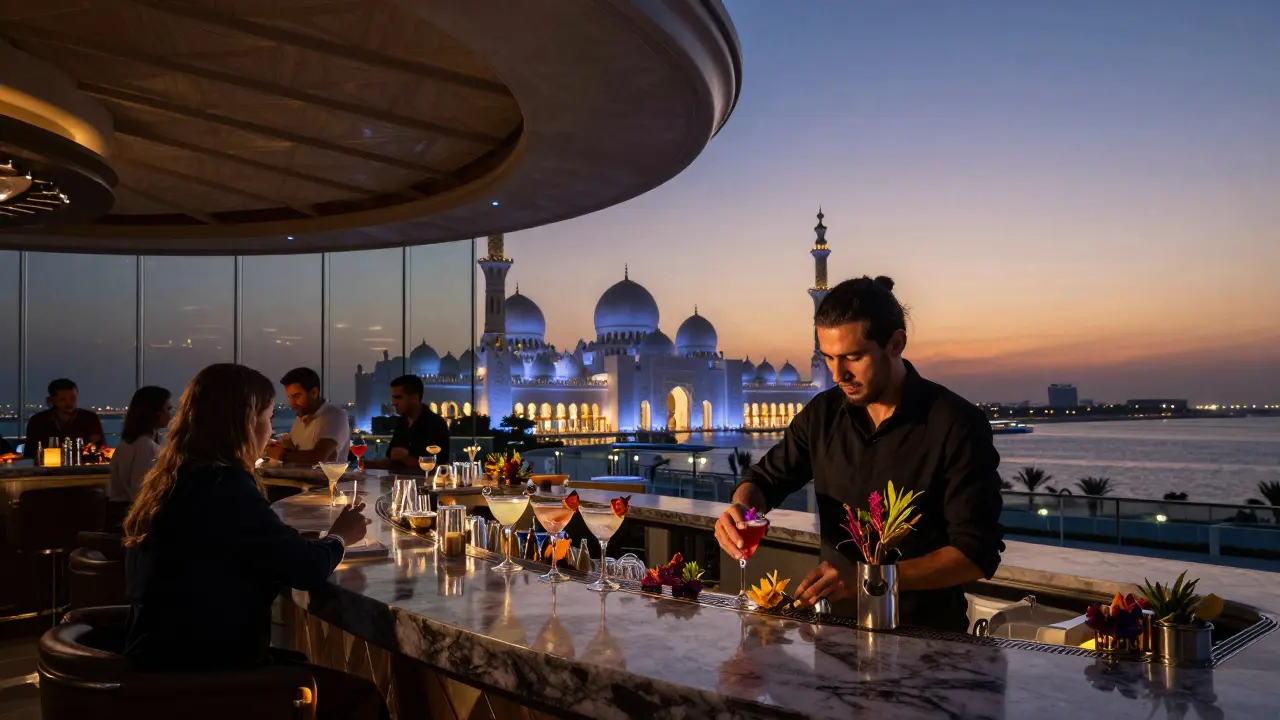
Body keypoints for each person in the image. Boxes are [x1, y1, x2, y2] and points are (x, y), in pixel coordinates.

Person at [714, 276, 1004, 632]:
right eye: (830, 358)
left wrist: (869, 578)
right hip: (833, 638)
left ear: (896, 343)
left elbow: (976, 554)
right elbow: (764, 479)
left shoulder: (955, 423)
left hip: (928, 643)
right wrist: (741, 509)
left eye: (854, 357)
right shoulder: (823, 414)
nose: (839, 374)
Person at [122, 363, 386, 720]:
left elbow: (237, 546)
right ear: (244, 422)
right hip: (207, 677)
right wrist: (342, 536)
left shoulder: (178, 477)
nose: (270, 429)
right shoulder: (225, 485)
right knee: (362, 698)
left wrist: (290, 541)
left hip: (164, 660)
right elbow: (306, 570)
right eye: (266, 416)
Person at [108, 386, 172, 526]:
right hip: (136, 520)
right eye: (167, 409)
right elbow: (141, 492)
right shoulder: (146, 446)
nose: (170, 415)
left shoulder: (128, 444)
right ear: (155, 413)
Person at [359, 375, 449, 474]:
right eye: (393, 398)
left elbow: (439, 467)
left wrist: (406, 457)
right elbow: (392, 459)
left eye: (398, 397)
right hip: (397, 484)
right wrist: (364, 465)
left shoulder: (436, 424)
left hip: (424, 485)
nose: (393, 403)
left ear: (414, 397)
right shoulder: (402, 422)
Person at [264, 367, 351, 465]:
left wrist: (283, 456)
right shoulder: (301, 416)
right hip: (296, 478)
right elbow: (294, 446)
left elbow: (319, 458)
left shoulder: (334, 415)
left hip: (325, 480)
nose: (292, 403)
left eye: (297, 396)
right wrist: (279, 446)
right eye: (289, 397)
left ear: (314, 393)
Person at [23, 378, 105, 459]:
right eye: (63, 399)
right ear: (52, 400)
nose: (69, 403)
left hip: (84, 467)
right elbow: (30, 452)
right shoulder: (39, 421)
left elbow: (101, 448)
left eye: (73, 398)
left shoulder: (89, 419)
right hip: (48, 469)